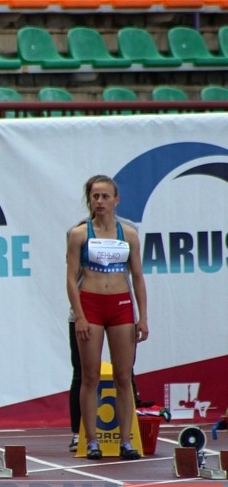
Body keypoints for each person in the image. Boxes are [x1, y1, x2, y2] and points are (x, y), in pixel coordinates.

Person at [66, 175, 148, 460]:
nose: (100, 201)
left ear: (116, 200)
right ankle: (91, 440)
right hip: (90, 304)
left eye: (105, 196)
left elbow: (138, 277)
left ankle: (126, 441)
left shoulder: (129, 234)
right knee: (89, 377)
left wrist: (143, 317)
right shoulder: (79, 234)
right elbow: (69, 277)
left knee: (123, 376)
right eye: (95, 196)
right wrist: (79, 316)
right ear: (89, 200)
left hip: (121, 305)